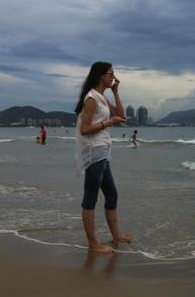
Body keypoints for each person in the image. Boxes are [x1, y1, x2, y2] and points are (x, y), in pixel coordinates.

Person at [74, 62, 131, 254]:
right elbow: (85, 129)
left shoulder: (102, 98)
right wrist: (108, 123)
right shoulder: (91, 98)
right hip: (94, 151)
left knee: (112, 194)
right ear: (100, 76)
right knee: (91, 197)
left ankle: (116, 236)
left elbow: (122, 117)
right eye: (110, 74)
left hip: (103, 151)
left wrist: (115, 91)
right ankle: (93, 243)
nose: (113, 77)